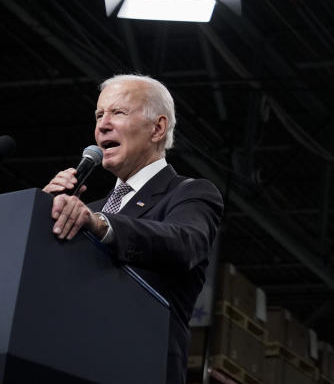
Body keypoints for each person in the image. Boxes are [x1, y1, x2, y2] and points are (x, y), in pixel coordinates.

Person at [43, 74, 223, 384]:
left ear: (157, 128)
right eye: (99, 115)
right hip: (68, 361)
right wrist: (39, 217)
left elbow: (184, 243)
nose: (103, 124)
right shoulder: (88, 209)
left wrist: (100, 225)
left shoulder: (189, 193)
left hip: (141, 366)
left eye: (118, 112)